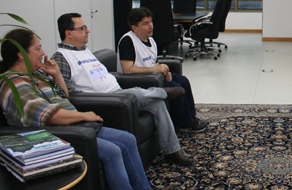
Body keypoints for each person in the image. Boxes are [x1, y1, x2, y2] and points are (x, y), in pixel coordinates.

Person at [0, 28, 173, 190]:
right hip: (54, 135)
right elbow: (49, 116)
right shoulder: (13, 84)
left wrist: (55, 74)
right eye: (38, 48)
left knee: (128, 139)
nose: (43, 52)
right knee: (112, 152)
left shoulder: (37, 75)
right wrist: (83, 116)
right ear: (20, 54)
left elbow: (63, 96)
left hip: (76, 126)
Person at [50, 13, 193, 166]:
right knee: (136, 93)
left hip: (118, 93)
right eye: (82, 28)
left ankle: (172, 151)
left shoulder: (84, 51)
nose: (87, 31)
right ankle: (163, 93)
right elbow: (62, 93)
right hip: (105, 100)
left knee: (157, 104)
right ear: (69, 33)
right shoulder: (61, 57)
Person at [117, 7, 208, 132]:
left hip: (153, 76)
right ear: (134, 27)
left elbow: (153, 62)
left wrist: (164, 72)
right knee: (175, 87)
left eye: (151, 22)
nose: (151, 26)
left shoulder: (151, 40)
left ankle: (191, 117)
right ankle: (185, 124)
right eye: (145, 24)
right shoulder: (127, 41)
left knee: (183, 80)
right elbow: (127, 70)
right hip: (139, 81)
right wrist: (155, 70)